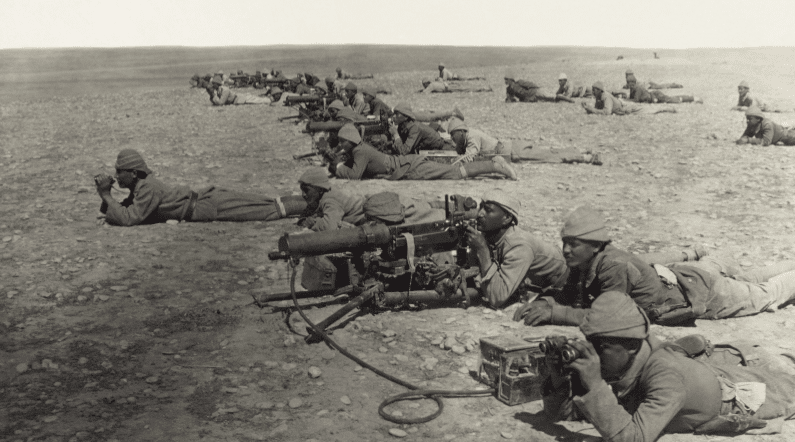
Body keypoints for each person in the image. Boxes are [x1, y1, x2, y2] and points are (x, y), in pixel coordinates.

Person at [542, 291, 795, 440]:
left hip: (743, 391)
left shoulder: (664, 376)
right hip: (706, 369)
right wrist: (557, 375)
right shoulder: (622, 360)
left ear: (631, 345)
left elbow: (635, 437)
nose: (594, 353)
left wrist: (594, 383)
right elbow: (564, 414)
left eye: (602, 346)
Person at [513, 205, 795, 327]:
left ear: (596, 244)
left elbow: (607, 318)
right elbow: (568, 292)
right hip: (683, 278)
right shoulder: (585, 260)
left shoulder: (612, 266)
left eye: (574, 243)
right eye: (565, 242)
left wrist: (555, 314)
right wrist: (546, 300)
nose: (566, 249)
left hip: (701, 295)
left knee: (766, 294)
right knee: (748, 278)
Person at [94, 149, 306, 226]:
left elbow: (130, 218)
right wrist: (107, 197)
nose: (116, 176)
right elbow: (124, 208)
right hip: (206, 200)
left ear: (133, 173)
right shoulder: (141, 186)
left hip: (205, 206)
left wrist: (105, 194)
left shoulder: (147, 188)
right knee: (266, 203)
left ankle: (312, 204)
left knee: (268, 210)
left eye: (119, 171)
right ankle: (310, 202)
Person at [463, 190, 570, 308]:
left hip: (564, 285)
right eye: (481, 208)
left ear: (507, 218)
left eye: (488, 210)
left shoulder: (519, 246)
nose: (480, 214)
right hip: (532, 285)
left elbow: (497, 298)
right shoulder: (490, 234)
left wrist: (482, 249)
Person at [331, 123, 517, 181]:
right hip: (407, 164)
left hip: (408, 167)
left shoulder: (360, 152)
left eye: (342, 142)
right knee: (453, 171)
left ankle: (494, 165)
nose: (341, 145)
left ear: (352, 141)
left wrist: (338, 168)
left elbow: (354, 175)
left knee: (454, 173)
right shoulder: (360, 149)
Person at [446, 118, 602, 165]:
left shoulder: (472, 137)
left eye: (454, 136)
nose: (453, 139)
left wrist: (453, 163)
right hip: (512, 148)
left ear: (460, 132)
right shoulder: (469, 135)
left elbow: (470, 156)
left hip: (513, 151)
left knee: (549, 157)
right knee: (548, 152)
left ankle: (586, 158)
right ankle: (581, 152)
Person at [297, 168, 364, 232]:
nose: (303, 194)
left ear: (320, 189)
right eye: (302, 190)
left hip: (365, 217)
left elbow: (330, 227)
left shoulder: (329, 200)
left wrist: (313, 223)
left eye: (306, 190)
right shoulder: (324, 192)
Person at [582, 82, 676, 115]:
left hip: (626, 108)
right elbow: (598, 109)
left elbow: (607, 112)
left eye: (594, 90)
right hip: (623, 108)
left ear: (599, 90)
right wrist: (588, 109)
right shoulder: (599, 97)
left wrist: (591, 110)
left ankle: (668, 109)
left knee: (649, 111)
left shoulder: (605, 96)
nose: (593, 92)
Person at [619, 76, 701, 104]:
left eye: (629, 83)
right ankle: (691, 98)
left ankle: (692, 98)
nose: (628, 85)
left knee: (673, 100)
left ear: (632, 83)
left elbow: (635, 100)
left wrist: (624, 100)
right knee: (672, 99)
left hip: (656, 96)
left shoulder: (638, 88)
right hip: (654, 97)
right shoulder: (633, 88)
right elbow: (631, 98)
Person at [209, 76, 273, 105]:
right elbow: (216, 103)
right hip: (238, 100)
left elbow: (221, 103)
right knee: (258, 99)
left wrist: (213, 95)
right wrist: (211, 95)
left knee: (261, 101)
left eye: (213, 84)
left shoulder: (225, 90)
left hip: (241, 99)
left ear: (217, 84)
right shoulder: (219, 90)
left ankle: (271, 99)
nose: (212, 85)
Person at [420, 78, 493, 94]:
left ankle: (484, 89)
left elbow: (425, 93)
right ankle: (484, 89)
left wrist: (419, 92)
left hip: (449, 88)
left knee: (465, 89)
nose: (424, 86)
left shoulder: (431, 85)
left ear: (426, 83)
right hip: (448, 85)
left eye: (424, 85)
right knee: (465, 88)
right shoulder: (433, 83)